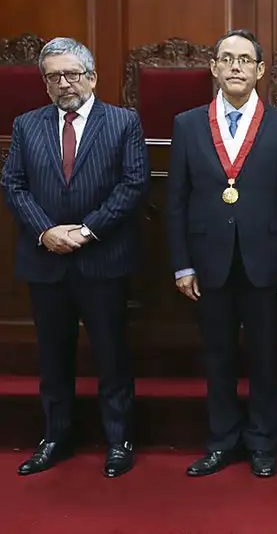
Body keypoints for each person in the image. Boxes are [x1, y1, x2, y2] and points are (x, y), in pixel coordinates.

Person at [1, 37, 149, 478]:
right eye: (53, 77)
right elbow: (13, 184)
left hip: (102, 258)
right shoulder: (27, 124)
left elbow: (133, 184)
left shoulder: (123, 121)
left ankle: (119, 440)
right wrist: (46, 231)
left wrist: (86, 231)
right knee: (53, 357)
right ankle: (56, 437)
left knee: (111, 355)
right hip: (45, 258)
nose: (63, 83)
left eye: (71, 74)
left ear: (92, 77)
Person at [167, 29, 277, 478]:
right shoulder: (188, 124)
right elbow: (177, 200)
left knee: (265, 357)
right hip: (208, 261)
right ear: (214, 68)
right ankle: (223, 440)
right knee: (218, 356)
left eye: (245, 60)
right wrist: (182, 263)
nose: (235, 67)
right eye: (227, 59)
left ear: (260, 70)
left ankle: (263, 441)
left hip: (267, 261)